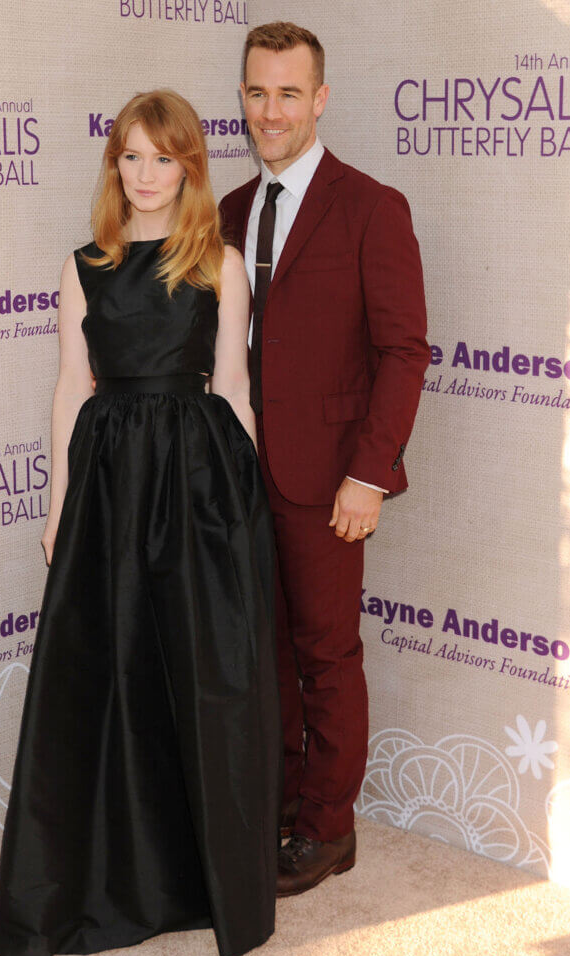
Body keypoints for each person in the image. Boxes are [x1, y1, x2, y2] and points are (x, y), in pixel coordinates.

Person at [0, 89, 282, 956]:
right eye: (130, 157)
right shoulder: (85, 262)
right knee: (106, 676)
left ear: (189, 166)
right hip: (111, 477)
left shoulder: (218, 261)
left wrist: (247, 504)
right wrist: (57, 503)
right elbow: (70, 386)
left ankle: (206, 883)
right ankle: (108, 884)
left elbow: (232, 388)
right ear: (113, 164)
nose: (145, 175)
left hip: (198, 480)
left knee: (202, 676)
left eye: (163, 158)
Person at [219, 22, 430, 897]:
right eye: (256, 93)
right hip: (233, 477)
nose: (271, 111)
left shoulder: (369, 205)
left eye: (288, 94)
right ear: (242, 98)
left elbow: (404, 350)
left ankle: (326, 830)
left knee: (325, 658)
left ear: (320, 99)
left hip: (328, 482)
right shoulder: (227, 210)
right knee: (258, 655)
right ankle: (272, 805)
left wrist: (367, 474)